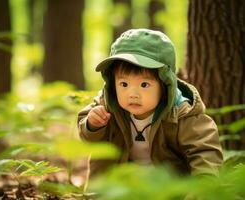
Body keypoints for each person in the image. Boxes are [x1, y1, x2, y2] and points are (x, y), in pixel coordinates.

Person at [77, 28, 223, 177]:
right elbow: (88, 139)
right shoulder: (107, 105)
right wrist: (92, 125)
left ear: (166, 84)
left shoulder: (183, 114)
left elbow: (205, 153)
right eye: (124, 84)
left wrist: (202, 189)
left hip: (166, 190)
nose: (132, 94)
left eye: (144, 85)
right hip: (117, 188)